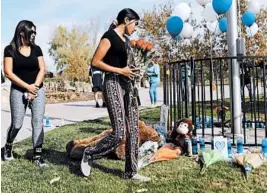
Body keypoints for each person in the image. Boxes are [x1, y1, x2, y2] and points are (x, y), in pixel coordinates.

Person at [80, 8, 151, 182]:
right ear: (126, 20)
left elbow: (128, 65)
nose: (135, 28)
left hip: (128, 86)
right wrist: (120, 70)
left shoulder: (126, 40)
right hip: (112, 83)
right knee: (119, 132)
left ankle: (131, 172)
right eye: (135, 24)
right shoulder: (109, 36)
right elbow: (95, 62)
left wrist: (136, 71)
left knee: (133, 129)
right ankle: (89, 153)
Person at [3, 20, 48, 168]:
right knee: (17, 124)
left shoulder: (37, 49)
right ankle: (8, 146)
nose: (34, 35)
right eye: (31, 32)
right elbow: (8, 72)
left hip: (37, 89)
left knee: (37, 122)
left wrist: (34, 88)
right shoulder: (10, 50)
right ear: (22, 32)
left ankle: (37, 157)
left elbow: (42, 69)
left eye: (35, 32)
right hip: (18, 89)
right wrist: (26, 87)